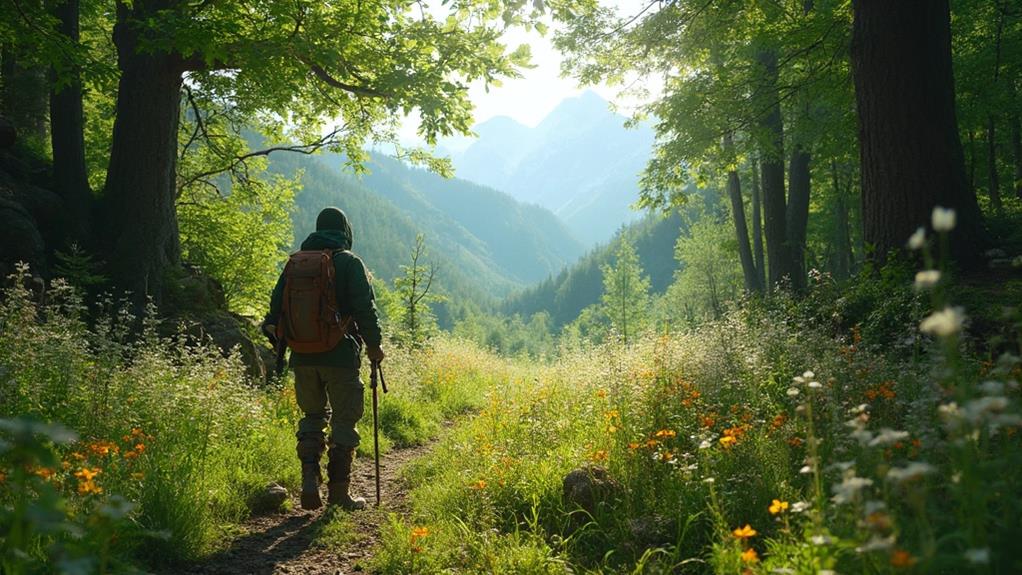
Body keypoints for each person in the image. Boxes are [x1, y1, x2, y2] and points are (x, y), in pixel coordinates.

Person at [262, 207, 385, 511]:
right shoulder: (350, 263)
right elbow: (365, 310)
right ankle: (339, 495)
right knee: (344, 421)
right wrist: (374, 346)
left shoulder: (295, 264)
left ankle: (308, 481)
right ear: (345, 231)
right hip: (340, 357)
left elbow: (274, 311)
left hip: (302, 357)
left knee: (312, 418)